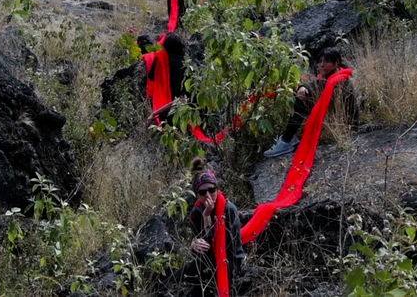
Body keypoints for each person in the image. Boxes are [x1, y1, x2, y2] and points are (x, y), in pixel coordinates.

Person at [158, 158, 245, 297]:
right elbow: (201, 251)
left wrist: (207, 219)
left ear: (217, 189)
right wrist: (194, 245)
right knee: (169, 282)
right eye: (203, 192)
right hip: (206, 262)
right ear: (197, 194)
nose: (208, 195)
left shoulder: (229, 209)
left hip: (229, 262)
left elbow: (226, 247)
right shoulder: (196, 213)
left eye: (212, 190)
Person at [264, 48, 360, 158]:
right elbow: (315, 84)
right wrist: (303, 87)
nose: (321, 65)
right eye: (320, 61)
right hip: (335, 120)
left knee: (302, 101)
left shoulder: (340, 81)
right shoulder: (334, 76)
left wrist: (304, 88)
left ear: (335, 64)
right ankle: (288, 139)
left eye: (326, 62)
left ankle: (287, 140)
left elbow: (318, 86)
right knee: (303, 95)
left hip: (344, 125)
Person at [146, 32, 189, 124]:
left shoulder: (160, 57)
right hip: (186, 103)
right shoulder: (186, 61)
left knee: (162, 116)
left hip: (171, 101)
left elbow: (151, 77)